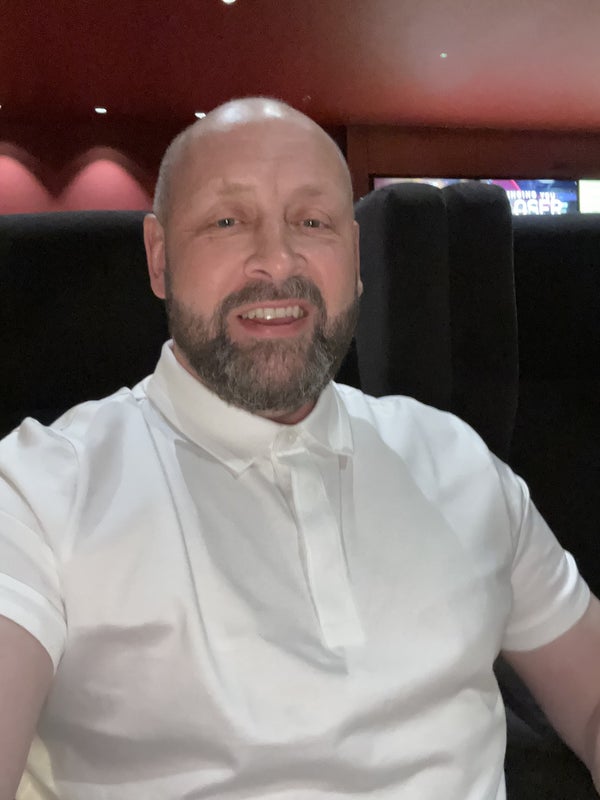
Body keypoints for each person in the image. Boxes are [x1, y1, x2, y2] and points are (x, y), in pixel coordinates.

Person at [1, 97, 600, 800]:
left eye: (312, 222)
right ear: (159, 258)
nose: (277, 261)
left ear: (356, 256)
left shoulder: (458, 461)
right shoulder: (41, 490)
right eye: (227, 222)